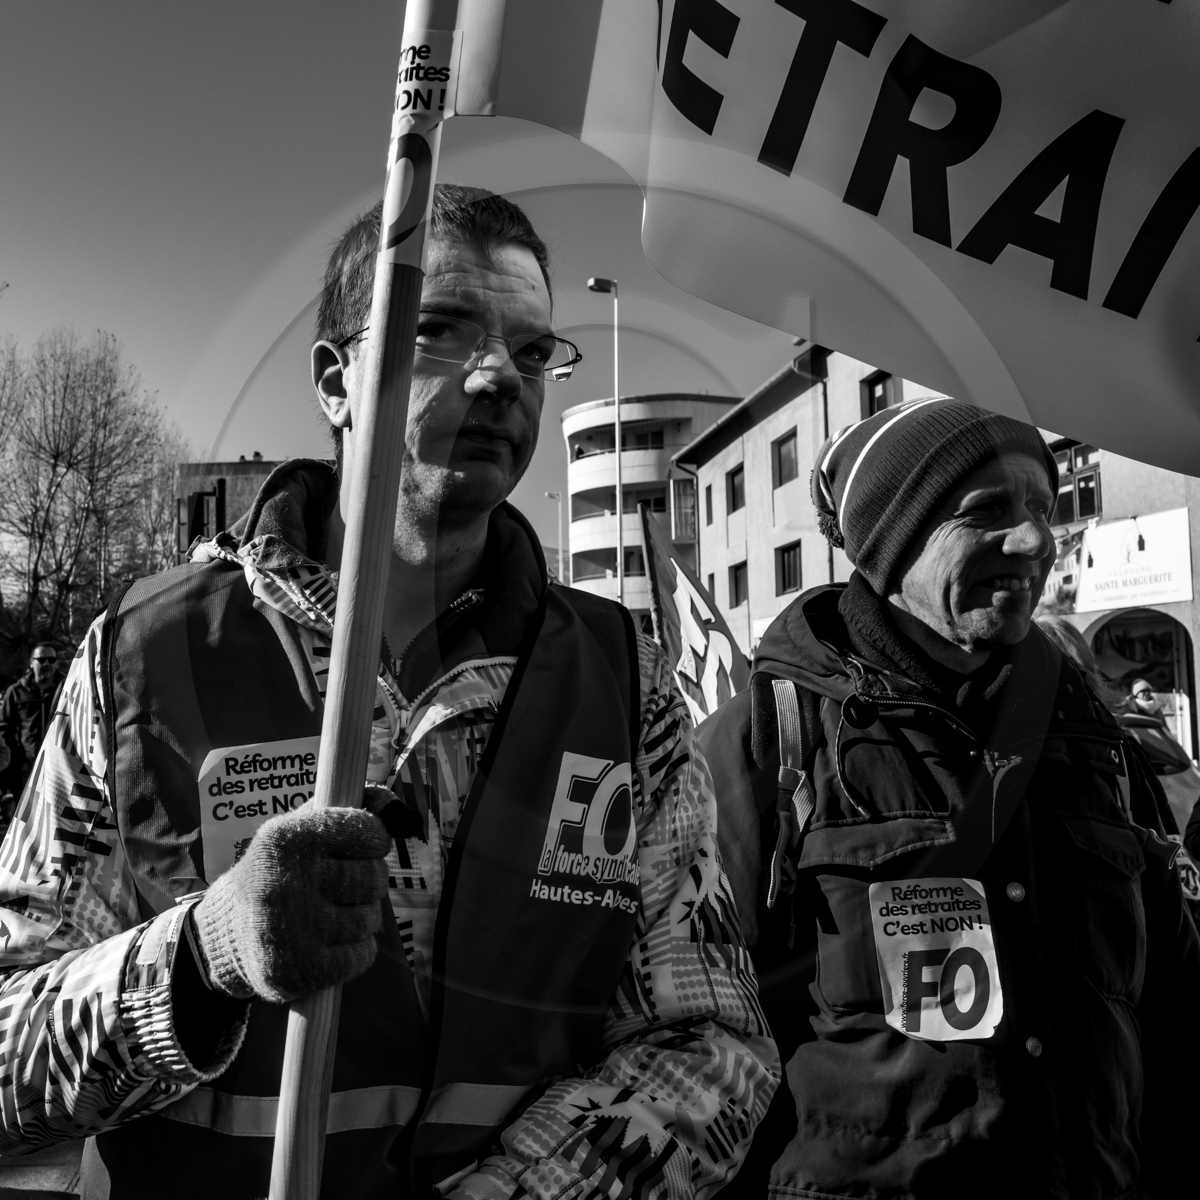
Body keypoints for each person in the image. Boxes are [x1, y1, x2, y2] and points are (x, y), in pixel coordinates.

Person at [0, 187, 776, 1199]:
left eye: (534, 351)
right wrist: (198, 961)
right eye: (444, 330)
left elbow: (714, 1049)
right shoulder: (145, 656)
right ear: (338, 380)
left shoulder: (625, 683)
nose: (502, 376)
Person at [696, 399, 1199, 1199]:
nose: (1036, 538)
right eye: (986, 511)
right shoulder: (769, 744)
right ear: (892, 543)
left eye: (1042, 506)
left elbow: (1175, 1014)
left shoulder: (1098, 739)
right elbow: (697, 1050)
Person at [0, 642, 63, 797]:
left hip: (61, 766)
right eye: (41, 660)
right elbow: (4, 729)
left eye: (51, 660)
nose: (47, 664)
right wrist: (17, 761)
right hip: (27, 769)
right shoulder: (16, 692)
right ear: (31, 662)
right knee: (28, 816)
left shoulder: (68, 690)